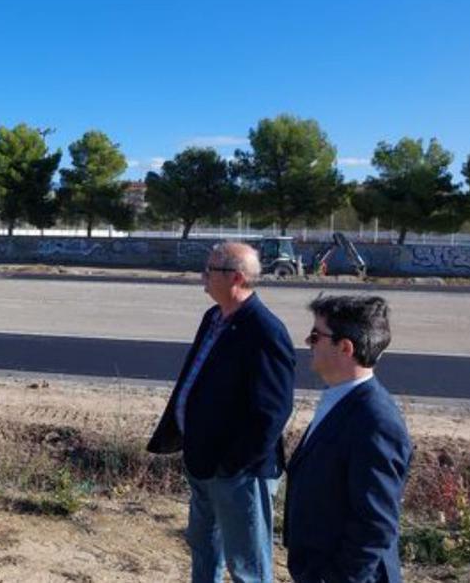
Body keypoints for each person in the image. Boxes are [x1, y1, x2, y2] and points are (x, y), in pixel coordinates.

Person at [147, 241, 296, 582]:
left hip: (237, 473)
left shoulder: (264, 331)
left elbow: (273, 411)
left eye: (210, 270)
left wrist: (233, 465)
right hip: (202, 461)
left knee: (248, 566)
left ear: (237, 278)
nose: (203, 275)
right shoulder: (214, 317)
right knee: (204, 551)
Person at [284, 295, 411, 582]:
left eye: (316, 336)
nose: (308, 341)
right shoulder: (342, 399)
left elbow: (375, 524)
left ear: (345, 347)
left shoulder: (376, 421)